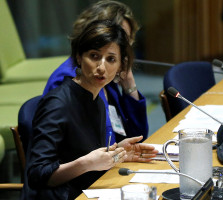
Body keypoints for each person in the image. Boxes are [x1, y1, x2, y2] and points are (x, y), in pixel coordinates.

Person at [25, 20, 158, 200]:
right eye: (94, 56)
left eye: (111, 59)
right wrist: (86, 164)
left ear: (120, 66)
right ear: (79, 58)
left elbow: (85, 157)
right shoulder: (57, 104)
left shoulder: (96, 99)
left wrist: (116, 153)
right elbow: (37, 175)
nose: (102, 68)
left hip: (89, 191)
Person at [43, 0, 148, 145]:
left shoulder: (107, 76)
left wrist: (129, 84)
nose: (122, 48)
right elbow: (75, 149)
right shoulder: (68, 79)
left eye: (126, 41)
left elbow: (137, 137)